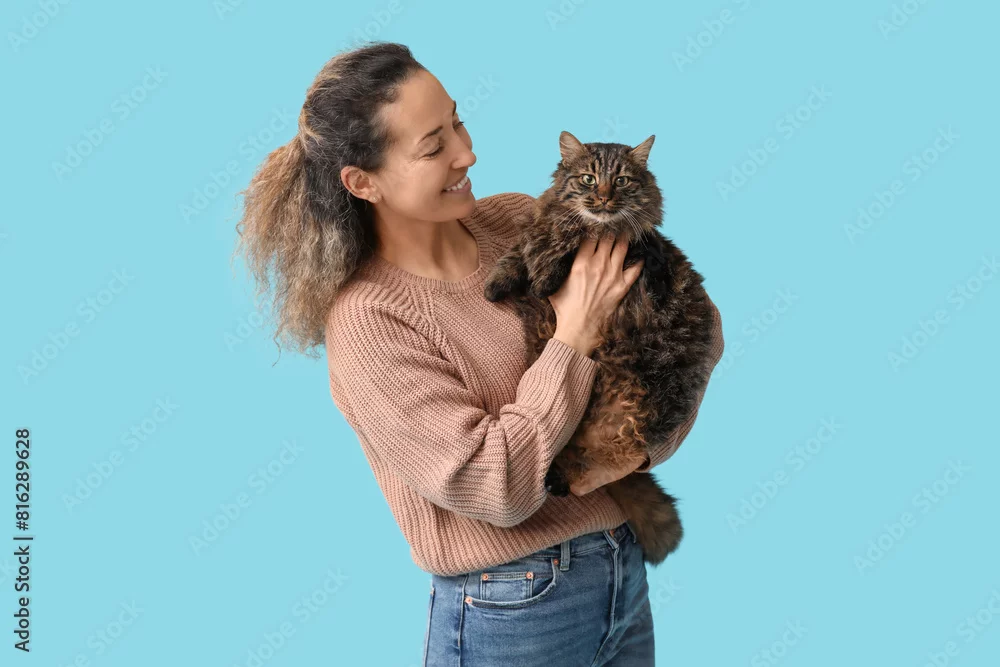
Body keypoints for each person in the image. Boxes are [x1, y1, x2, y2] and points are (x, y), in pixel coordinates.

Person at [235, 42, 724, 667]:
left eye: (458, 123)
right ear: (362, 182)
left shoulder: (519, 220)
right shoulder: (370, 323)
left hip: (622, 573)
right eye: (433, 146)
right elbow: (496, 488)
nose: (467, 154)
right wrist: (574, 334)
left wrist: (631, 454)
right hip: (512, 608)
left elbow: (696, 332)